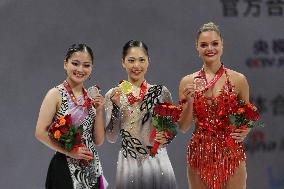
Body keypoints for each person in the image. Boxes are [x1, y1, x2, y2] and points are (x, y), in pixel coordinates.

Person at [178, 22, 250, 189]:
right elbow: (183, 127)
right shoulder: (187, 82)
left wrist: (245, 130)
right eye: (204, 45)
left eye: (214, 43)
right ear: (197, 47)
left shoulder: (239, 80)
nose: (210, 48)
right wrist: (189, 102)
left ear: (222, 45)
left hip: (231, 153)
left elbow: (248, 115)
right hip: (200, 154)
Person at [105, 40, 177, 189]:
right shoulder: (113, 94)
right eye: (131, 60)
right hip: (129, 163)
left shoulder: (160, 92)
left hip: (158, 160)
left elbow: (171, 129)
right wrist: (116, 109)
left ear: (148, 61)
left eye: (141, 60)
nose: (136, 66)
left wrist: (166, 137)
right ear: (123, 62)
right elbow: (111, 137)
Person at [35, 44, 108, 189]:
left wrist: (99, 111)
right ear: (65, 64)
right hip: (64, 168)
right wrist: (70, 151)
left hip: (91, 169)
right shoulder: (55, 94)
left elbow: (98, 141)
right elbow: (40, 132)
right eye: (75, 63)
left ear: (91, 68)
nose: (80, 69)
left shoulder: (91, 97)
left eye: (86, 65)